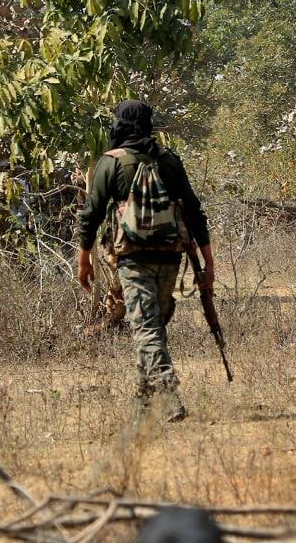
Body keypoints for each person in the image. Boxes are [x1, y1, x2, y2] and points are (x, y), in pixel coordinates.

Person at [77, 100, 214, 421]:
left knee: (147, 326)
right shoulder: (168, 160)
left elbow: (91, 215)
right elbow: (194, 212)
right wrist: (209, 264)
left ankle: (169, 396)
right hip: (170, 256)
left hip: (132, 258)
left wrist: (84, 259)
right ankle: (142, 404)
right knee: (152, 324)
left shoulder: (110, 163)